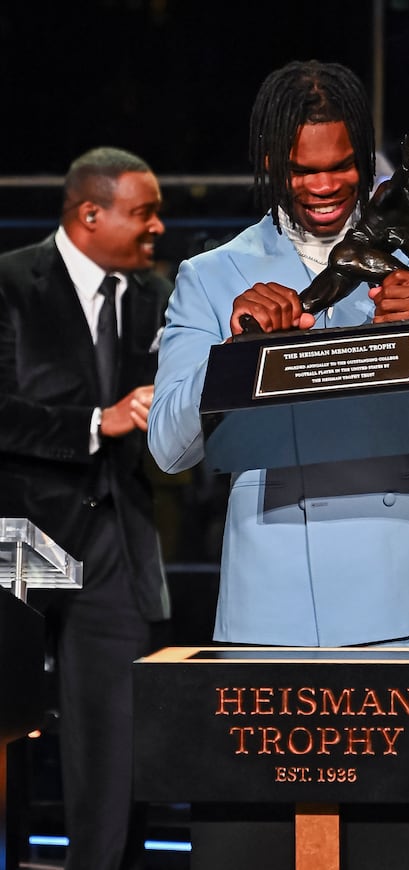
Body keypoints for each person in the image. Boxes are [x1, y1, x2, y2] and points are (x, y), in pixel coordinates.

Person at [148, 60, 409, 870]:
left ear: (365, 157)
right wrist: (233, 351)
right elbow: (170, 448)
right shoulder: (215, 277)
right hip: (272, 613)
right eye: (303, 168)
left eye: (341, 164)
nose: (325, 184)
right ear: (272, 163)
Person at [0, 146, 172, 870]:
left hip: (113, 539)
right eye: (144, 212)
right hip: (18, 532)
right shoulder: (10, 282)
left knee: (115, 735)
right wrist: (98, 423)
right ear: (89, 213)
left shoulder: (158, 294)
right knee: (4, 719)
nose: (158, 227)